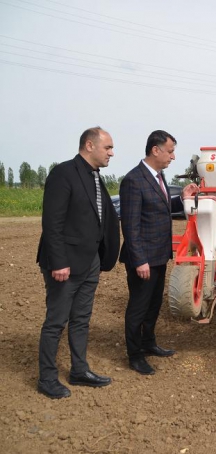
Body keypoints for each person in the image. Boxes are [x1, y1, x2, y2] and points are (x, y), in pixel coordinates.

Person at [36, 127, 120, 399]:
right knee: (56, 322)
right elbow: (52, 222)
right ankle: (47, 378)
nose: (111, 153)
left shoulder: (96, 177)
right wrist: (58, 262)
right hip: (65, 265)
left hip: (90, 262)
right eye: (107, 147)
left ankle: (79, 370)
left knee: (81, 319)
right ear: (89, 145)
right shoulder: (64, 173)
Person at [119, 130, 193, 375]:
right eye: (170, 151)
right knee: (139, 307)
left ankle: (148, 343)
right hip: (143, 259)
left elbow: (159, 208)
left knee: (153, 304)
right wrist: (140, 261)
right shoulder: (134, 180)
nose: (173, 157)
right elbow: (130, 226)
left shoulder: (158, 177)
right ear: (155, 150)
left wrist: (181, 198)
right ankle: (135, 355)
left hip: (159, 256)